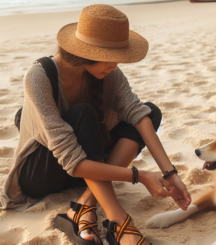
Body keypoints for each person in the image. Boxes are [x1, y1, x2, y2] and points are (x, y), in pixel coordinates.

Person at [0, 4, 191, 245]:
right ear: (85, 51)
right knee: (83, 113)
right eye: (111, 59)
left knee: (148, 112)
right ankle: (119, 222)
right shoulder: (39, 77)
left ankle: (83, 205)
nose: (115, 66)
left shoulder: (108, 73)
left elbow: (136, 113)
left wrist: (170, 173)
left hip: (91, 168)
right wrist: (139, 175)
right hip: (42, 174)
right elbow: (73, 161)